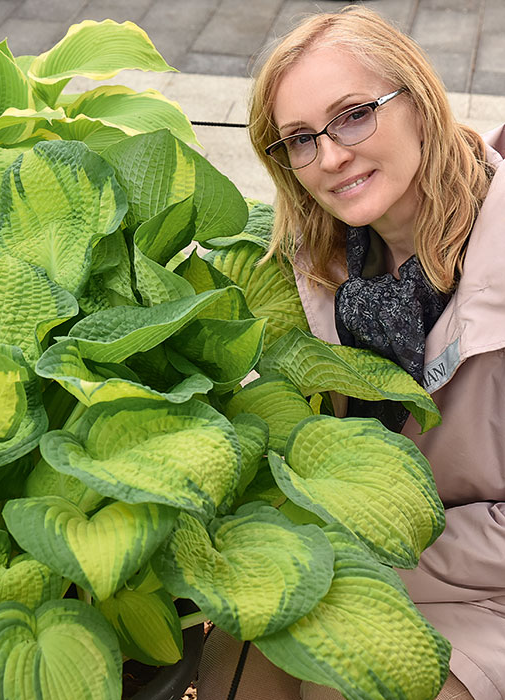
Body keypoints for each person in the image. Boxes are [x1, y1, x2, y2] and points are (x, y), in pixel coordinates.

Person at [197, 6, 505, 700]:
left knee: (346, 689)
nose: (331, 156)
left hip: (484, 587)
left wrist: (350, 559)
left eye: (355, 114)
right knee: (232, 674)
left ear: (419, 104)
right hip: (354, 556)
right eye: (299, 139)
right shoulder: (311, 263)